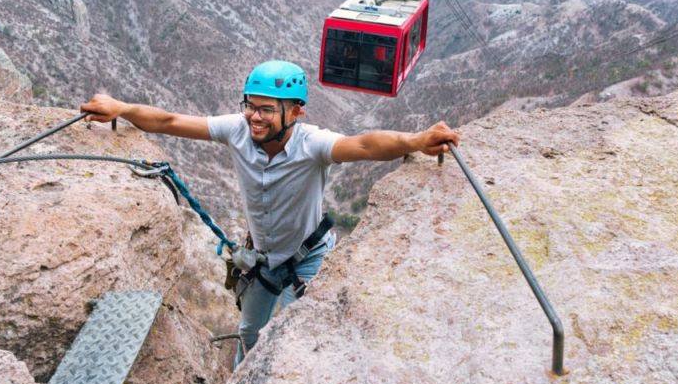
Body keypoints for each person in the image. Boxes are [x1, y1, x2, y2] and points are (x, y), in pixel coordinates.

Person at [79, 59, 458, 365]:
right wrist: (122, 109)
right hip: (262, 259)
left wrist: (415, 141)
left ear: (295, 112)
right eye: (249, 106)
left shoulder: (313, 145)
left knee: (293, 343)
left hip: (307, 259)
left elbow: (365, 145)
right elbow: (170, 122)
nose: (254, 117)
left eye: (265, 110)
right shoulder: (237, 130)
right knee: (249, 332)